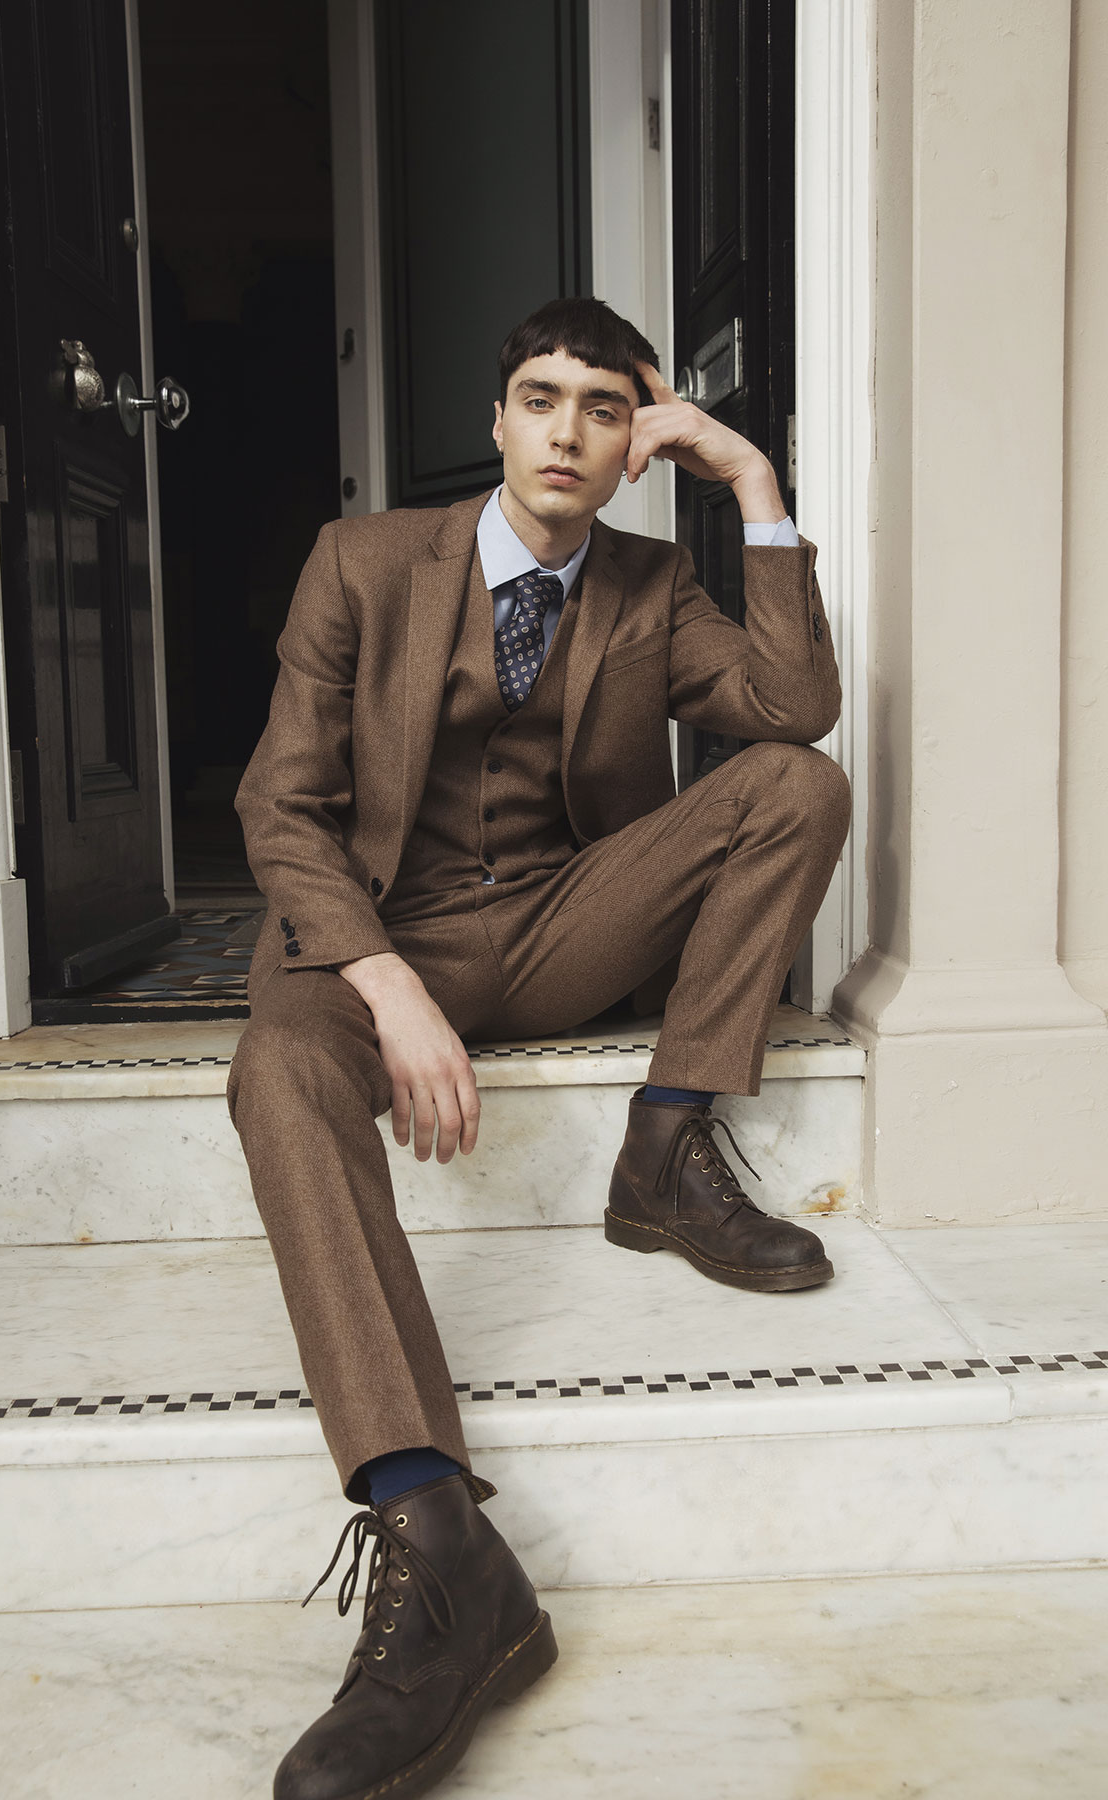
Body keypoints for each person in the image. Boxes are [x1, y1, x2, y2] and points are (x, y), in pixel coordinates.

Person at [226, 295, 850, 1799]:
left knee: (797, 788)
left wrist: (754, 489)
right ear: (497, 420)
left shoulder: (651, 582)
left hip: (567, 919)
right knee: (275, 1073)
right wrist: (385, 984)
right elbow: (280, 809)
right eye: (538, 397)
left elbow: (792, 706)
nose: (566, 430)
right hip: (382, 929)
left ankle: (665, 1148)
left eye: (603, 409)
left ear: (637, 444)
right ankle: (442, 1553)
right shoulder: (362, 563)